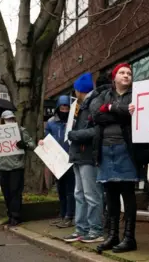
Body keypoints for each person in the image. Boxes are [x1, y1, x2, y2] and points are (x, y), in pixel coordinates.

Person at [90, 63, 139, 253]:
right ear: (114, 76)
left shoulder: (136, 94)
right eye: (122, 72)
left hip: (125, 149)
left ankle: (129, 237)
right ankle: (113, 236)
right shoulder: (103, 94)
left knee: (128, 193)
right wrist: (119, 111)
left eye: (129, 73)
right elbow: (96, 115)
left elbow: (132, 117)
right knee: (110, 196)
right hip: (105, 149)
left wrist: (109, 109)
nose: (126, 76)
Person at [63, 72, 104, 243]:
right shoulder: (84, 105)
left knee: (90, 194)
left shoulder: (92, 104)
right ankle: (82, 228)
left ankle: (95, 229)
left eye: (75, 91)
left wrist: (74, 135)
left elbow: (97, 130)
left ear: (79, 91)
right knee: (80, 193)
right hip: (80, 154)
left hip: (86, 154)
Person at [0, 110, 35, 226]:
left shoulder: (21, 131)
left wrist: (25, 144)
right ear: (3, 120)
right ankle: (10, 215)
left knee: (15, 192)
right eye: (7, 119)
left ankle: (16, 216)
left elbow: (32, 145)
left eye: (11, 119)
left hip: (16, 166)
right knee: (6, 193)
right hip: (2, 167)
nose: (9, 121)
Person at [40, 95, 76, 229]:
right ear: (58, 108)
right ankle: (62, 214)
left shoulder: (74, 122)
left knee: (70, 189)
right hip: (57, 160)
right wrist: (42, 142)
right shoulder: (51, 122)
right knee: (60, 189)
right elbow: (47, 138)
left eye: (67, 107)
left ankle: (69, 216)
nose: (64, 110)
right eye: (62, 107)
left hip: (70, 159)